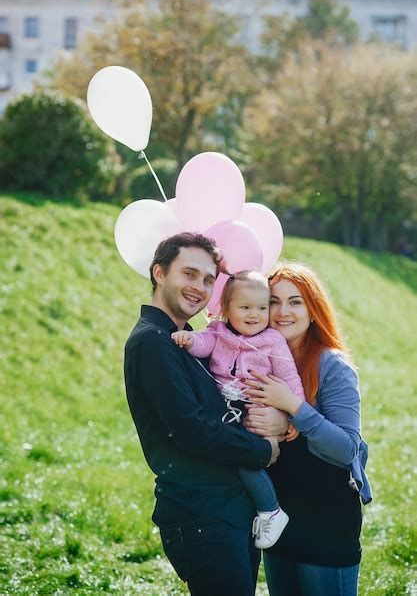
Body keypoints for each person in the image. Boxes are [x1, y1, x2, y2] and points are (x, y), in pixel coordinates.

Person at [124, 233, 287, 596]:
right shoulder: (152, 342)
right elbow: (192, 429)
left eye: (209, 279)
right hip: (201, 515)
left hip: (228, 510)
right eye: (189, 274)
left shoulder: (185, 339)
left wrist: (280, 419)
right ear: (160, 273)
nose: (199, 287)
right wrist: (262, 451)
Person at [243, 262, 372, 596]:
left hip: (326, 524)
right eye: (273, 301)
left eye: (295, 301)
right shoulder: (259, 359)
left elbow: (347, 449)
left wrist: (293, 409)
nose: (283, 311)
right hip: (280, 521)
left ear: (313, 310)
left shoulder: (332, 365)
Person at [172, 270, 305, 549]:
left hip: (260, 414)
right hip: (228, 412)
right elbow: (203, 344)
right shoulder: (218, 333)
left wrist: (297, 414)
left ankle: (271, 510)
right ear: (226, 309)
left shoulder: (272, 341)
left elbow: (290, 377)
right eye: (245, 307)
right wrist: (190, 340)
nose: (254, 314)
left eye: (261, 307)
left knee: (248, 460)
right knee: (230, 457)